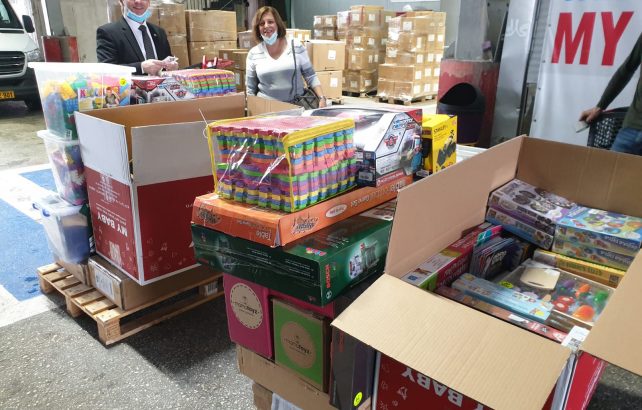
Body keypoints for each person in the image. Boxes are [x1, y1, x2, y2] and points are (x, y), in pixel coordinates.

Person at [246, 6, 327, 108]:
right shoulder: (254, 54)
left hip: (297, 107)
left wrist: (322, 98)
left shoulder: (296, 46)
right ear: (258, 28)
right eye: (262, 23)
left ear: (278, 24)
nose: (266, 26)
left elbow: (311, 76)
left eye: (270, 22)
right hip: (267, 109)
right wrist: (253, 109)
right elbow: (250, 89)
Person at [580, 32, 642, 154]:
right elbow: (626, 70)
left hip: (631, 129)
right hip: (632, 127)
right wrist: (600, 105)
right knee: (611, 166)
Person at [96, 0, 178, 76]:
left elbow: (166, 63)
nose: (138, 1)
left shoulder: (159, 32)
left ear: (149, 2)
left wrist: (171, 67)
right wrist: (141, 67)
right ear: (121, 1)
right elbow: (107, 70)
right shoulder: (108, 32)